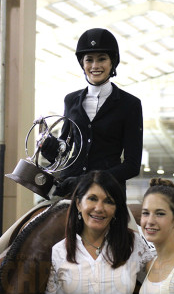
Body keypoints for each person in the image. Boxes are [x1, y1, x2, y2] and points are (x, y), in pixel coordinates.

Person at [41, 27, 143, 199]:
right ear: (83, 63)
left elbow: (132, 165)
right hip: (70, 188)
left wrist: (89, 181)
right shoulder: (70, 100)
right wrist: (48, 148)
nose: (95, 66)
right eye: (89, 60)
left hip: (107, 192)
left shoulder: (130, 104)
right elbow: (63, 153)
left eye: (102, 59)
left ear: (112, 62)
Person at [45, 170, 153, 294]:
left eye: (108, 201)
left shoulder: (133, 243)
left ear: (116, 209)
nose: (99, 208)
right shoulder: (59, 252)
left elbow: (160, 285)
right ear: (79, 204)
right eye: (92, 199)